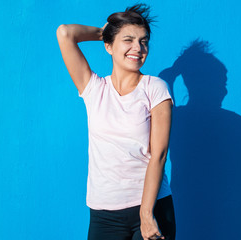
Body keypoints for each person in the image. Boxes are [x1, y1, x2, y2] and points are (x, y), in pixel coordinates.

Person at [56, 4, 176, 240]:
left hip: (152, 208)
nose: (138, 48)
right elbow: (65, 33)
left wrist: (146, 213)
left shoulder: (155, 88)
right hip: (104, 215)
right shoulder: (94, 90)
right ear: (108, 46)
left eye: (144, 41)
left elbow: (159, 155)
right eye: (128, 40)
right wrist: (106, 32)